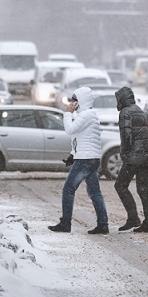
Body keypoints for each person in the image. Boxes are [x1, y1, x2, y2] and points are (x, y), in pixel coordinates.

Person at [48, 87, 109, 234]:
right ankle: (103, 224)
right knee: (95, 192)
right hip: (90, 157)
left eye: (74, 100)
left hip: (85, 159)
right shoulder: (88, 115)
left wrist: (67, 113)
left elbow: (70, 130)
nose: (72, 103)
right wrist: (72, 154)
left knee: (68, 189)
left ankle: (65, 223)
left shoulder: (86, 115)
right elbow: (81, 138)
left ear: (80, 101)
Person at [114, 86, 148, 233]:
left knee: (120, 185)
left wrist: (124, 153)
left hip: (133, 157)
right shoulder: (141, 111)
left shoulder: (125, 112)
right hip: (144, 156)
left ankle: (133, 218)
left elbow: (126, 136)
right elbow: (147, 135)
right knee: (143, 190)